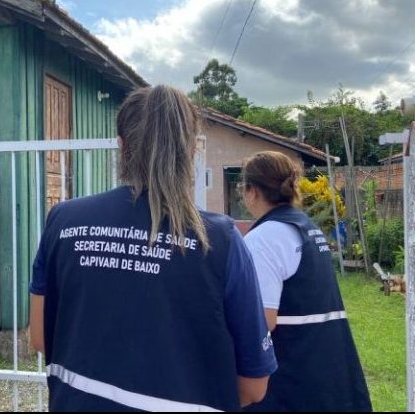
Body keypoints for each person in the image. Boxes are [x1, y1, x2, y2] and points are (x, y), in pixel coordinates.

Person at [29, 85, 277, 412]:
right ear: (191, 150)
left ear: (121, 146)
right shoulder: (222, 240)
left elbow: (40, 337)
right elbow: (253, 386)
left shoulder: (63, 220)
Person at [240, 151, 372, 412]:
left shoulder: (263, 239)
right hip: (325, 370)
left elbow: (263, 321)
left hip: (290, 379)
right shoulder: (306, 226)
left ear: (252, 191)